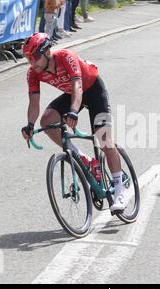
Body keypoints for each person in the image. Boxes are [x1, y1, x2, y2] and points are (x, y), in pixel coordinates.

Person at [20, 33, 128, 211]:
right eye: (28, 59)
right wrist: (30, 125)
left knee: (104, 141)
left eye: (35, 57)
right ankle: (83, 158)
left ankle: (119, 189)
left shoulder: (65, 57)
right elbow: (34, 102)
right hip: (71, 94)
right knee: (47, 121)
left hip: (92, 90)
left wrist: (73, 111)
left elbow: (77, 85)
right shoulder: (33, 73)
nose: (32, 63)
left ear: (47, 52)